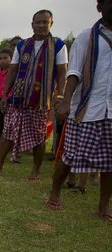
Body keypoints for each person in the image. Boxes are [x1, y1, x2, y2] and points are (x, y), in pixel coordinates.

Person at [0, 10, 68, 181]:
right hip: (18, 97)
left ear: (51, 24)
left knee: (38, 136)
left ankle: (35, 171)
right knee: (8, 132)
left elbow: (62, 72)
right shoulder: (23, 45)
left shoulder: (58, 45)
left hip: (41, 100)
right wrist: (6, 94)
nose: (42, 25)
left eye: (45, 22)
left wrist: (61, 96)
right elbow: (13, 69)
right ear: (32, 24)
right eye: (38, 22)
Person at [47, 0, 112, 223]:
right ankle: (54, 193)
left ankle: (104, 205)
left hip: (110, 110)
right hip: (87, 108)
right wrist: (65, 101)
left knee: (110, 162)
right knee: (70, 155)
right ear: (100, 7)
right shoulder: (87, 37)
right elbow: (73, 71)